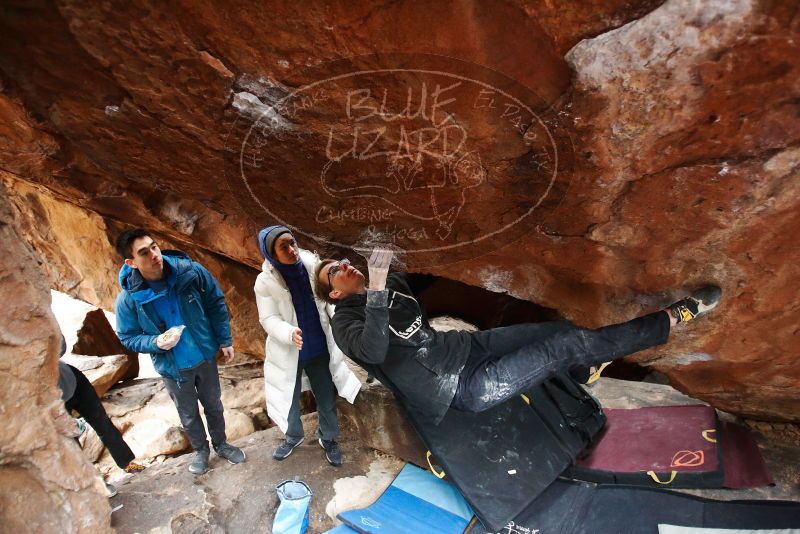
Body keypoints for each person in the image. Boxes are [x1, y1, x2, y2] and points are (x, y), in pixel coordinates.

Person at [315, 248, 722, 426]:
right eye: (335, 271)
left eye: (344, 261)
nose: (345, 266)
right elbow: (374, 350)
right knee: (566, 347)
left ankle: (584, 372)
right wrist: (380, 290)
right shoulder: (343, 323)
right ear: (334, 293)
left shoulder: (395, 283)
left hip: (466, 349)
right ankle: (671, 318)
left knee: (563, 331)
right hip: (459, 388)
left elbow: (425, 301)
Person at [114, 228, 245, 475]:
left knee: (214, 405)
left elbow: (216, 303)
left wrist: (225, 340)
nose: (154, 254)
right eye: (144, 252)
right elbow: (127, 337)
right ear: (131, 262)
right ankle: (201, 452)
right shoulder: (128, 300)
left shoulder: (190, 272)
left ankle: (222, 444)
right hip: (173, 366)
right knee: (188, 413)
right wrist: (155, 342)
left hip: (204, 355)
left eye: (154, 246)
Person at [254, 225, 360, 466]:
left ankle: (329, 437)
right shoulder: (265, 282)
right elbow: (268, 318)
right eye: (284, 247)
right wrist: (288, 332)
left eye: (293, 243)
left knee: (325, 394)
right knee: (288, 397)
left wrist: (339, 317)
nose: (292, 250)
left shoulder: (313, 266)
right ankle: (293, 436)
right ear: (271, 254)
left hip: (319, 346)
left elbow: (329, 295)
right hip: (289, 349)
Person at [56, 335, 144, 497]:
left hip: (73, 380)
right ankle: (96, 483)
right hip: (52, 400)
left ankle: (127, 463)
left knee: (102, 423)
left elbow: (61, 345)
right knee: (70, 442)